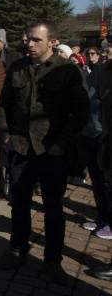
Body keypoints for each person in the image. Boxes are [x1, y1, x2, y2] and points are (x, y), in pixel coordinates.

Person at [0, 21, 89, 285]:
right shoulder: (17, 67)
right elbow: (4, 105)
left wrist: (62, 143)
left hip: (51, 150)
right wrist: (5, 135)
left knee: (53, 208)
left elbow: (80, 113)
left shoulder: (68, 71)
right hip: (21, 147)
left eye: (36, 40)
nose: (30, 44)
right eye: (28, 39)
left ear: (52, 42)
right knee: (19, 204)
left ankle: (52, 261)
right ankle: (17, 248)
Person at [86, 48, 112, 280]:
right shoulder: (101, 71)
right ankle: (104, 218)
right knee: (101, 183)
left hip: (104, 135)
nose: (105, 54)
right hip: (99, 137)